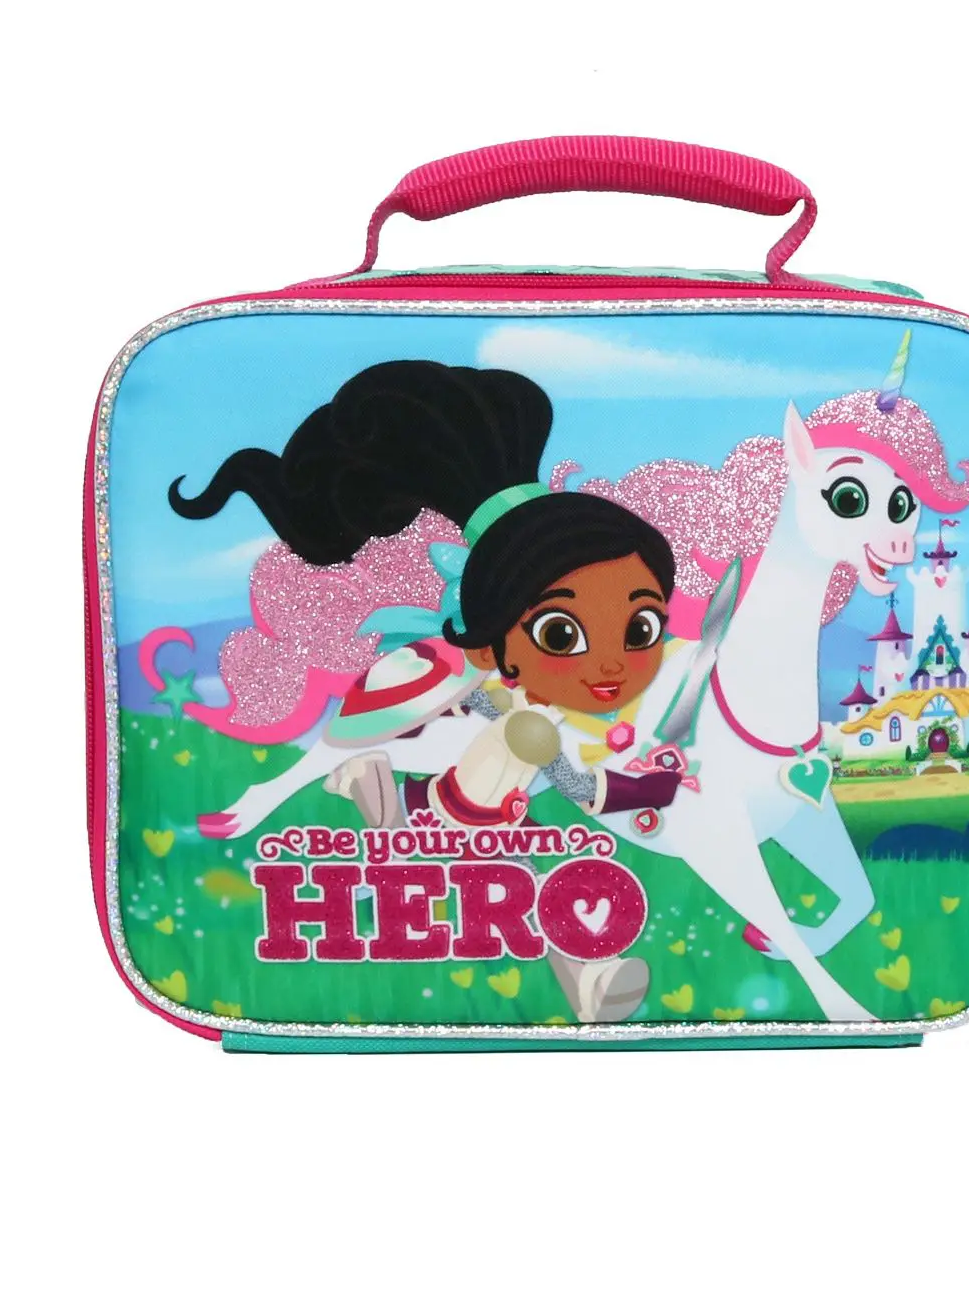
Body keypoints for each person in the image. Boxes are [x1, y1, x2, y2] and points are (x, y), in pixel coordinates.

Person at [170, 360, 682, 1021]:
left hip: (490, 820)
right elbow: (574, 785)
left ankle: (584, 984)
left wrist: (654, 784)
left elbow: (573, 780)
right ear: (489, 642)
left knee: (525, 883)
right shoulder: (484, 705)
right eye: (560, 633)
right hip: (429, 815)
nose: (611, 664)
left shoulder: (523, 712)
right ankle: (382, 844)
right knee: (488, 867)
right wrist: (272, 793)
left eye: (641, 628)